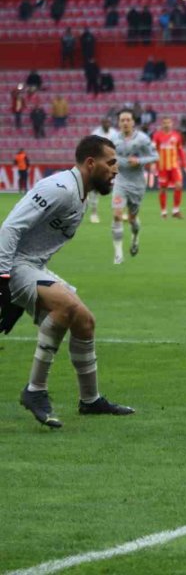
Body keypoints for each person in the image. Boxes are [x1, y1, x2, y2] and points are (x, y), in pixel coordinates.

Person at [0, 135, 135, 428]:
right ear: (91, 163)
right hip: (14, 263)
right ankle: (35, 390)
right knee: (65, 306)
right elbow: (10, 227)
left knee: (85, 321)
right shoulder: (60, 189)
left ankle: (91, 400)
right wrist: (4, 278)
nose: (116, 169)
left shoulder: (79, 194)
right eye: (111, 162)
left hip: (31, 266)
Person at [111, 109, 158, 264]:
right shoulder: (113, 139)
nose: (125, 123)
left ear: (133, 122)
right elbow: (107, 156)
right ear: (119, 123)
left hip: (137, 184)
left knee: (132, 219)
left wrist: (139, 161)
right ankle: (118, 253)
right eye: (122, 120)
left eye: (128, 120)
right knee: (117, 214)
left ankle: (135, 237)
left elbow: (155, 156)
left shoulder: (142, 139)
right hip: (120, 182)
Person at [152, 116, 186, 219]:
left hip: (174, 166)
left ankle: (176, 210)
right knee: (163, 189)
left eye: (168, 122)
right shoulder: (157, 136)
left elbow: (180, 151)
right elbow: (153, 150)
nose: (166, 125)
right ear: (162, 124)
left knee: (179, 185)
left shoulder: (176, 136)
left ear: (172, 124)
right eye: (164, 123)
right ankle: (163, 212)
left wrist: (184, 165)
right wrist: (153, 163)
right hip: (162, 167)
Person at [89, 118, 120, 223]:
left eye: (108, 122)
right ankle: (94, 213)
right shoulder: (96, 134)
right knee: (95, 189)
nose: (107, 124)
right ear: (102, 123)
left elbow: (118, 147)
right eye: (105, 122)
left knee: (118, 188)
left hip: (112, 164)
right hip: (99, 164)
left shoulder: (114, 133)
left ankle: (118, 212)